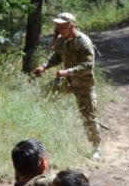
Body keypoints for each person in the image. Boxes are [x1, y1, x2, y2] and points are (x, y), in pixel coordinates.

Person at [33, 12, 101, 159]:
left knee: (88, 115)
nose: (59, 29)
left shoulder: (84, 42)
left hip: (84, 84)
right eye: (58, 26)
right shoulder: (61, 40)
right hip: (68, 81)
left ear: (71, 26)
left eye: (62, 26)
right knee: (44, 94)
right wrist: (44, 66)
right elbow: (57, 56)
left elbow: (88, 66)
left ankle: (96, 147)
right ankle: (47, 130)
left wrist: (67, 72)